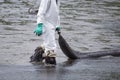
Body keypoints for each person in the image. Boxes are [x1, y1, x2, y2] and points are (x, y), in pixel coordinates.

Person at [34, 0, 61, 65]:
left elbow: (56, 12)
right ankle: (50, 70)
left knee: (47, 45)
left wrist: (57, 25)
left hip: (52, 25)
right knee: (51, 50)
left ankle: (36, 60)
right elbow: (41, 11)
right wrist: (39, 25)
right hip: (46, 24)